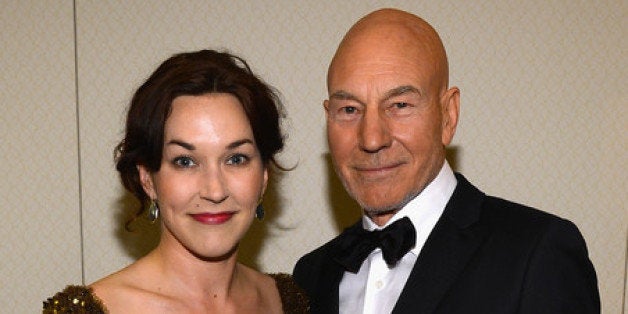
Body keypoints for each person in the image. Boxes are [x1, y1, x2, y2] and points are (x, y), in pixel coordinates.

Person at [293, 8, 599, 314]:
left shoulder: (537, 254)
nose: (372, 139)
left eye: (399, 105)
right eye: (349, 109)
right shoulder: (309, 276)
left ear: (448, 116)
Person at [44, 49, 308, 313]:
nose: (214, 190)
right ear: (147, 178)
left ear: (264, 176)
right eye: (185, 161)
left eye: (236, 159)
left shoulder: (285, 301)